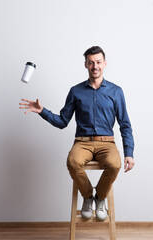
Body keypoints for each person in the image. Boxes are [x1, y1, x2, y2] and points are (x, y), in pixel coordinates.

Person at [19, 46, 135, 221]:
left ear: (104, 64)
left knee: (114, 164)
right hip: (82, 143)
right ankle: (88, 197)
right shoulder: (76, 91)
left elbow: (125, 124)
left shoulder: (116, 91)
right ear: (85, 65)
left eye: (98, 62)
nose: (94, 66)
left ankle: (100, 197)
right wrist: (42, 111)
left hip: (106, 143)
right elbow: (62, 122)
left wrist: (129, 153)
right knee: (73, 162)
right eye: (91, 63)